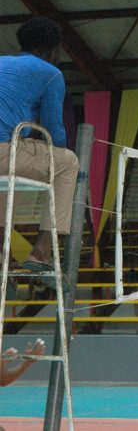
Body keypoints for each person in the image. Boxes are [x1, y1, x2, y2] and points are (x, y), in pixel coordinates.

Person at [0, 17, 79, 289]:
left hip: (6, 154)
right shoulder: (50, 73)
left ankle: (2, 257)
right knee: (68, 163)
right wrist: (58, 149)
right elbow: (54, 128)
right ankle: (42, 252)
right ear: (54, 51)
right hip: (3, 151)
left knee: (5, 180)